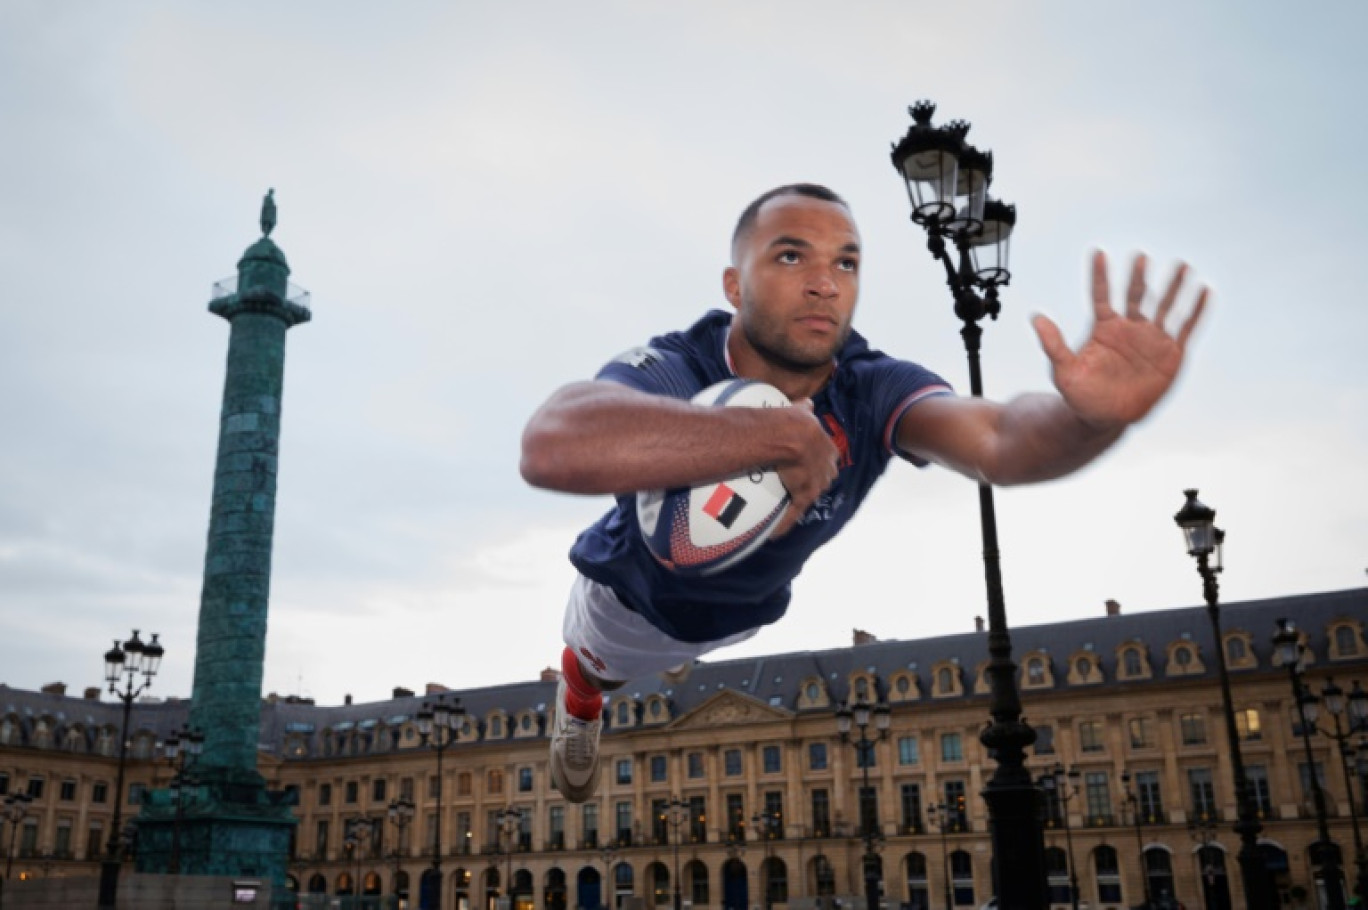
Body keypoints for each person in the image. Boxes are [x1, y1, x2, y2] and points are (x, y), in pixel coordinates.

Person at [519, 183, 1208, 802]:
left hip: (751, 609)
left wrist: (1087, 417)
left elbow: (1000, 438)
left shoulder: (871, 386)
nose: (825, 284)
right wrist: (770, 437)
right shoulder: (682, 363)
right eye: (791, 257)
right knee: (600, 672)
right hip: (631, 601)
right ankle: (579, 695)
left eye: (845, 262)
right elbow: (552, 443)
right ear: (735, 284)